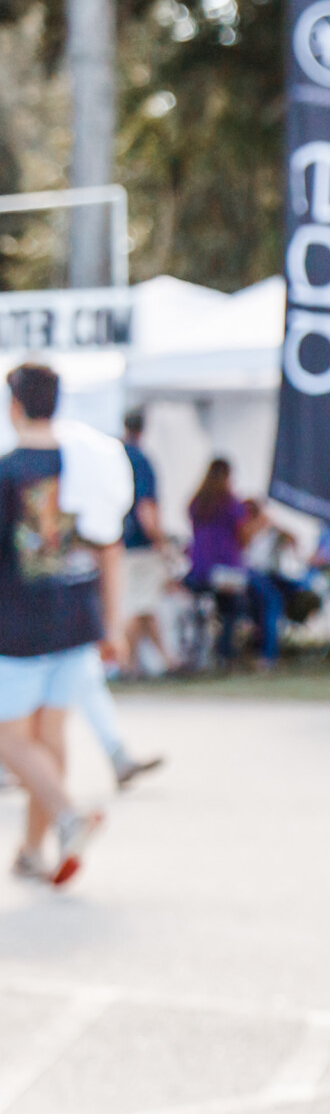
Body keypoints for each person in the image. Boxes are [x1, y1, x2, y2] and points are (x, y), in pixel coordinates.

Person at [0, 365, 125, 884]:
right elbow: (110, 547)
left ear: (14, 405)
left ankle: (70, 817)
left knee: (11, 742)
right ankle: (33, 850)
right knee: (49, 739)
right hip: (78, 619)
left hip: (20, 627)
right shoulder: (86, 463)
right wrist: (112, 624)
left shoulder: (8, 473)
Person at [185, 459, 286, 669]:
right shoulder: (230, 504)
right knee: (270, 598)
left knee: (229, 605)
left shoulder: (197, 503)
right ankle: (266, 655)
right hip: (226, 571)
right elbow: (243, 538)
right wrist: (262, 523)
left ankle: (223, 653)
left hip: (199, 571)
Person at [117, 410, 177, 681]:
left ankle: (164, 660)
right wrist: (160, 540)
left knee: (144, 604)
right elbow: (146, 508)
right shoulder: (141, 460)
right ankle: (123, 663)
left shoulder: (115, 457)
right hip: (139, 545)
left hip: (118, 542)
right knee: (138, 605)